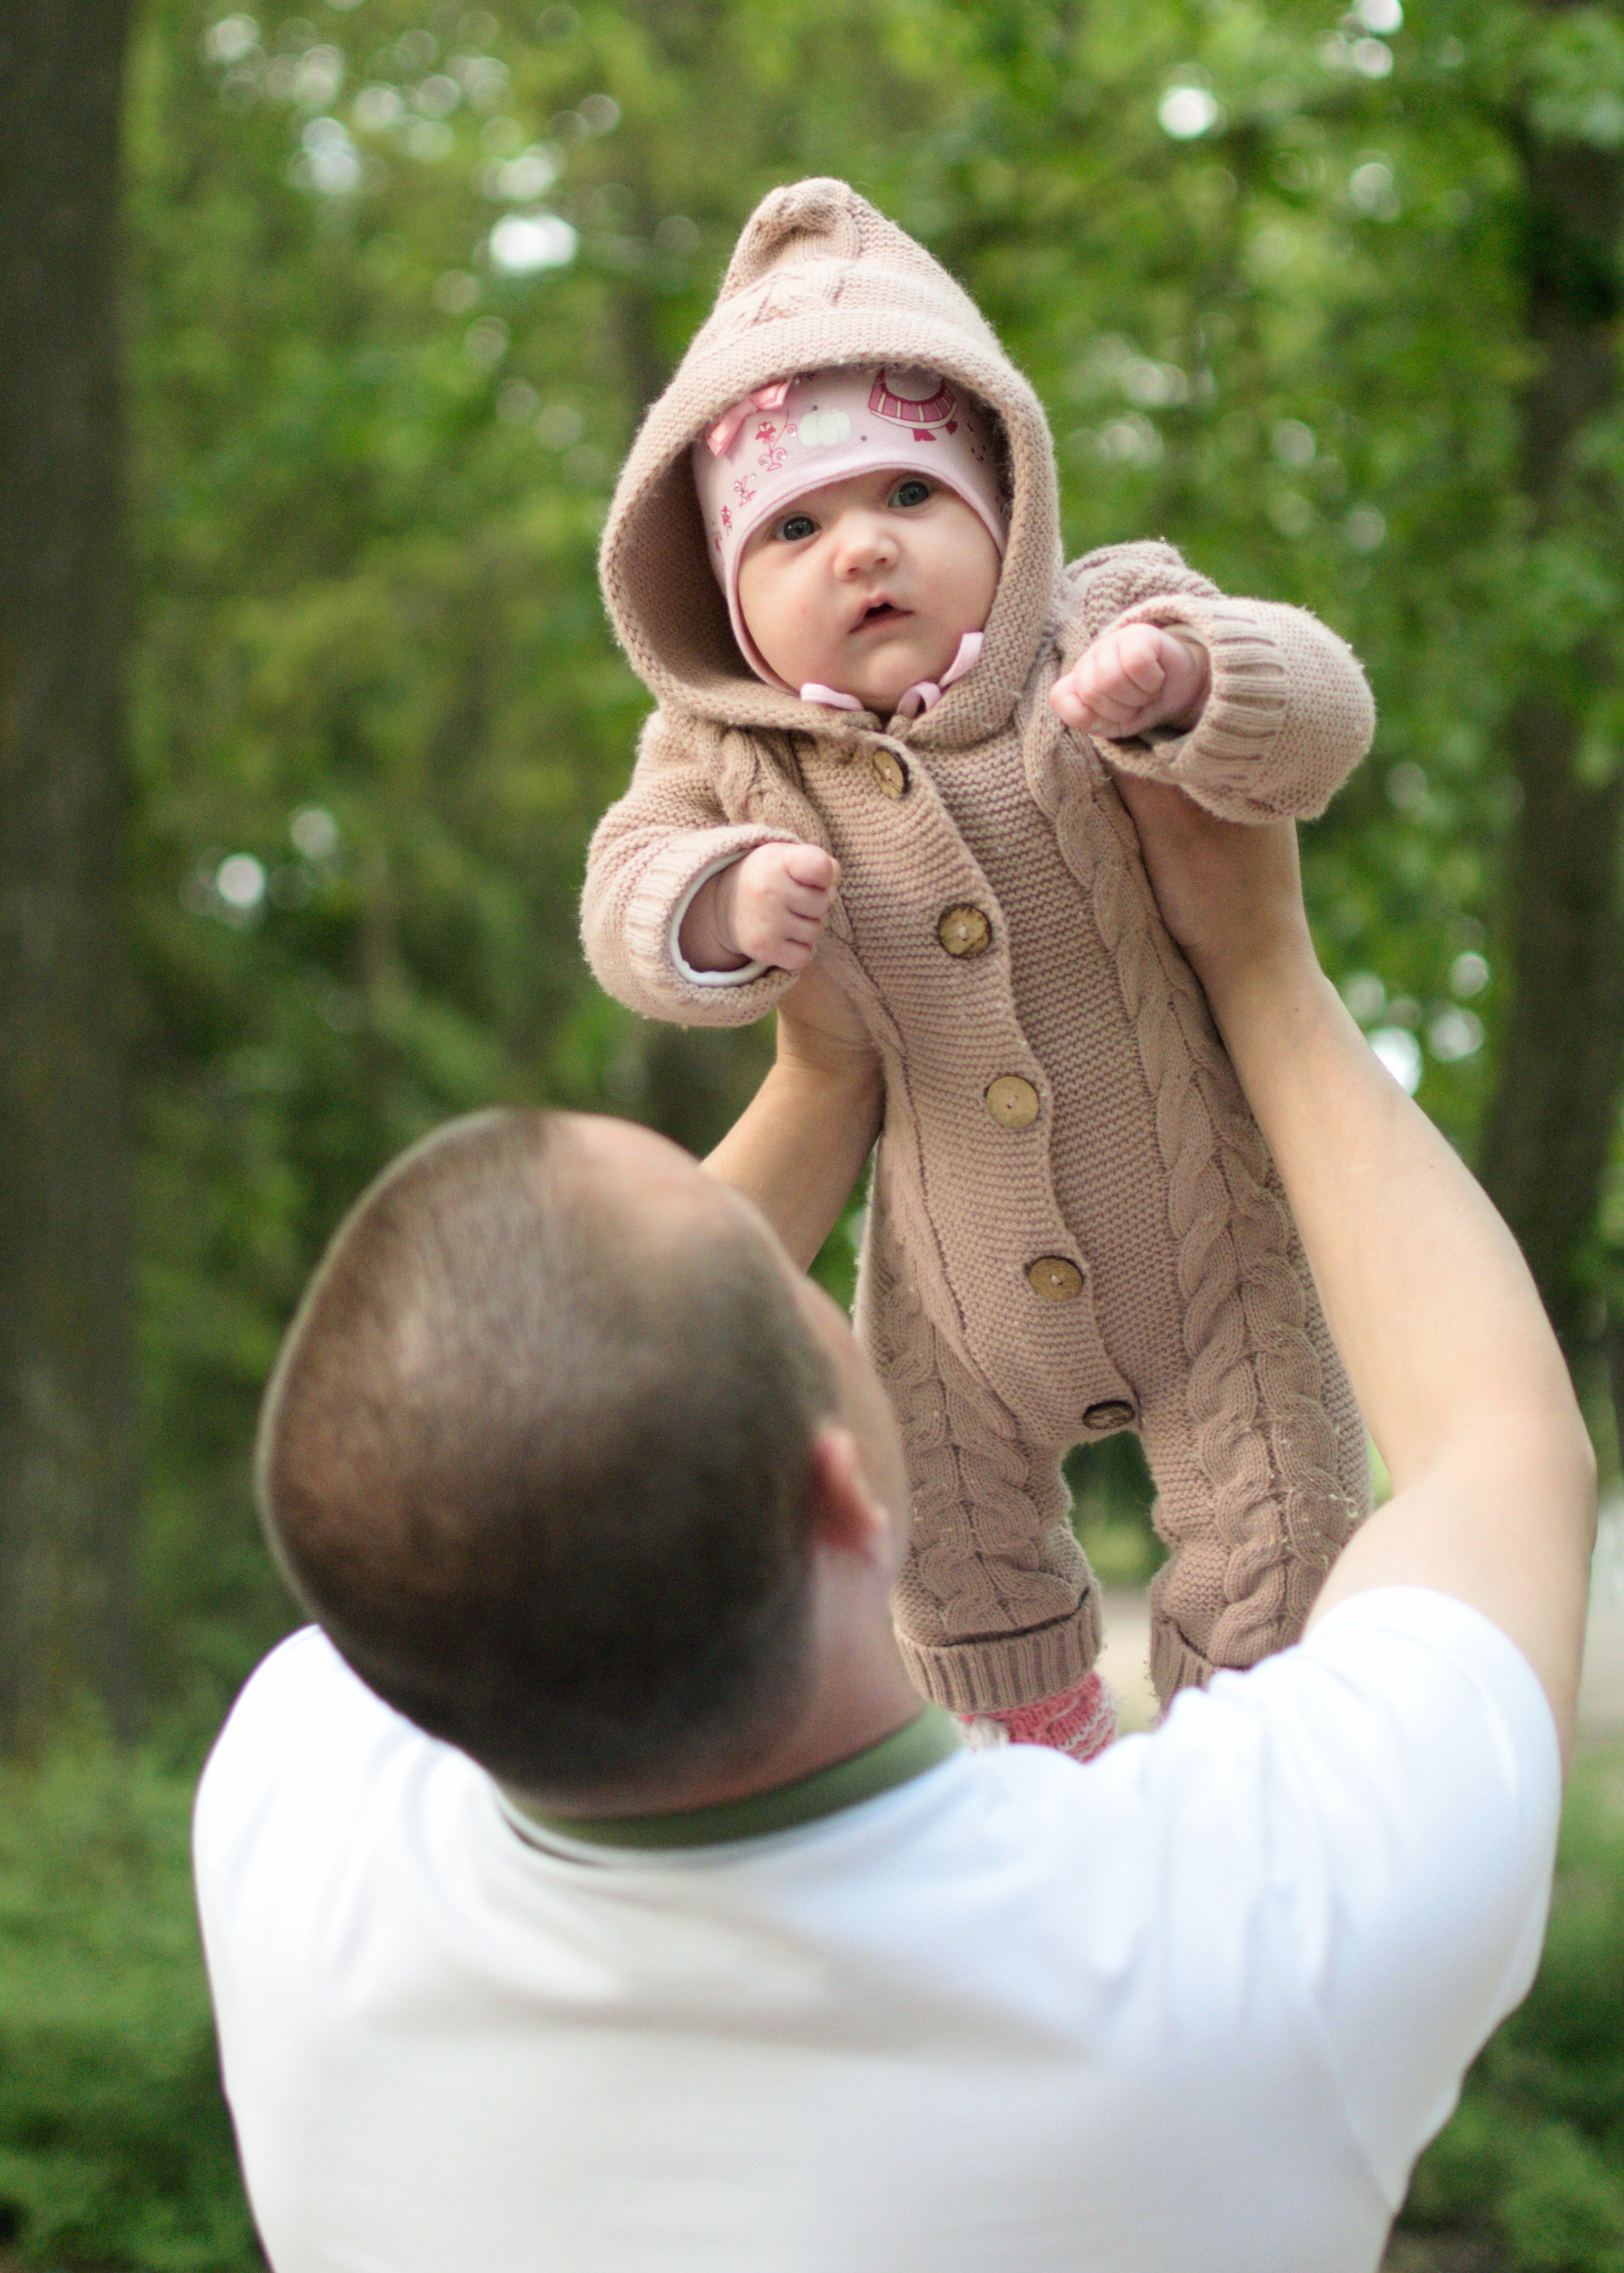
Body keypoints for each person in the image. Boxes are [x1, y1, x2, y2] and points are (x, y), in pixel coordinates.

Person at [193, 785, 1595, 2273]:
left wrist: (827, 1065)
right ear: (842, 1498)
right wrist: (1262, 966)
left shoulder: (298, 1831)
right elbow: (1495, 1443)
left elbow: (495, 1438)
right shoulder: (1232, 1941)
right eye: (781, 1274)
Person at [584, 172, 1378, 1753]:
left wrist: (1193, 681)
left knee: (1279, 1531)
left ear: (1003, 507)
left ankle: (1241, 1788)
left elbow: (1324, 713)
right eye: (793, 527)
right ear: (723, 604)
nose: (859, 548)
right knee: (944, 1557)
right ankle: (1043, 1771)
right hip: (948, 1297)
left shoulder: (1104, 622)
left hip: (1207, 1242)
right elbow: (622, 892)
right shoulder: (729, 757)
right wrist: (718, 902)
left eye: (908, 495)